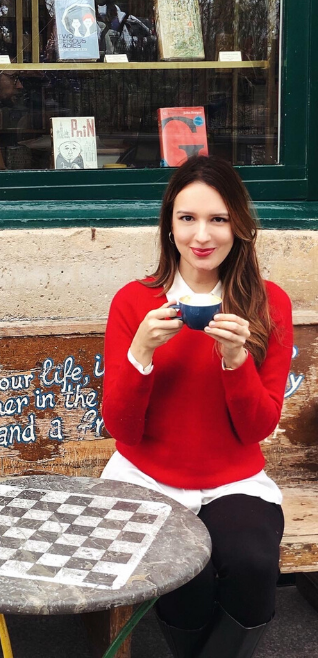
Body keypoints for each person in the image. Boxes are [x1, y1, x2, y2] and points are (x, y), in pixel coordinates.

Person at [101, 156, 293, 658]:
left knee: (252, 564)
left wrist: (235, 360)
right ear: (169, 225)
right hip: (148, 476)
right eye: (187, 218)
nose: (201, 235)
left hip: (233, 477)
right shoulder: (134, 302)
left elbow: (259, 426)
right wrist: (140, 352)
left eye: (218, 219)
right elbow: (120, 426)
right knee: (185, 574)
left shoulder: (268, 304)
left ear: (241, 227)